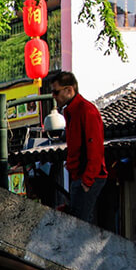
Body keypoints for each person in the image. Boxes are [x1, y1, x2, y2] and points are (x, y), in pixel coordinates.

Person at [50, 71, 107, 224]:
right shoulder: (71, 111)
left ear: (69, 90)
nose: (53, 96)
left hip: (87, 176)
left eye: (56, 92)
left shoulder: (86, 110)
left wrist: (87, 180)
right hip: (79, 176)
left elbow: (94, 148)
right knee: (78, 223)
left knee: (80, 226)